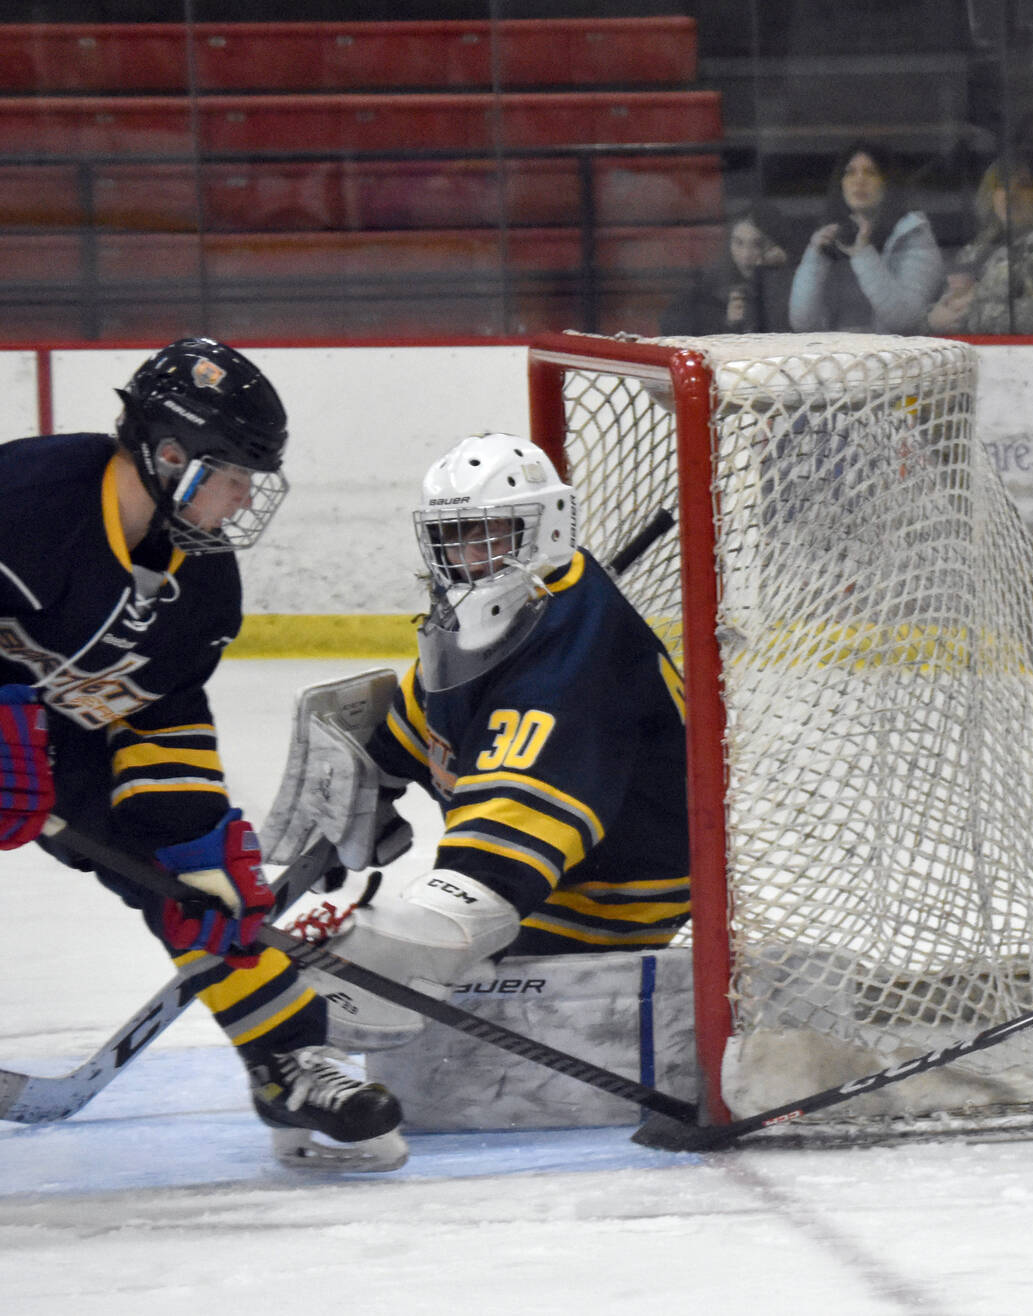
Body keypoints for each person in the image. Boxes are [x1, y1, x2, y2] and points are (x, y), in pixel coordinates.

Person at [0, 337, 406, 1172]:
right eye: (236, 474)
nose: (245, 496)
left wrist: (194, 839)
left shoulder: (204, 582)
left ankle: (288, 1059)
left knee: (196, 886)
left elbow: (161, 706)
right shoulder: (26, 500)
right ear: (171, 455)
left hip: (65, 727)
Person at [297, 433, 692, 1054]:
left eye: (488, 535)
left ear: (548, 530)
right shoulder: (513, 608)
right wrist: (370, 777)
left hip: (614, 897)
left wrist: (388, 936)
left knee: (420, 981)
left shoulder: (573, 668)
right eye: (452, 536)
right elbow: (435, 710)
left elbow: (488, 876)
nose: (466, 557)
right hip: (567, 869)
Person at [927, 150, 1033, 335]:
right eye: (1001, 185)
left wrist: (966, 313)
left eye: (1025, 186)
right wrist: (931, 320)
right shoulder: (980, 247)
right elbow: (939, 307)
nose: (1010, 195)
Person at [789, 142, 945, 334]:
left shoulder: (913, 234)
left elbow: (905, 321)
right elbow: (802, 323)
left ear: (887, 183)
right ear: (841, 184)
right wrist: (814, 256)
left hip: (892, 357)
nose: (859, 180)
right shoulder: (832, 235)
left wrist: (863, 253)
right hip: (836, 355)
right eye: (850, 173)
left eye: (870, 172)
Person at [658, 203, 795, 337]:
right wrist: (727, 324)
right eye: (738, 243)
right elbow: (671, 325)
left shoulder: (791, 281)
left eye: (758, 244)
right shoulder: (711, 284)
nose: (746, 254)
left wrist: (779, 272)